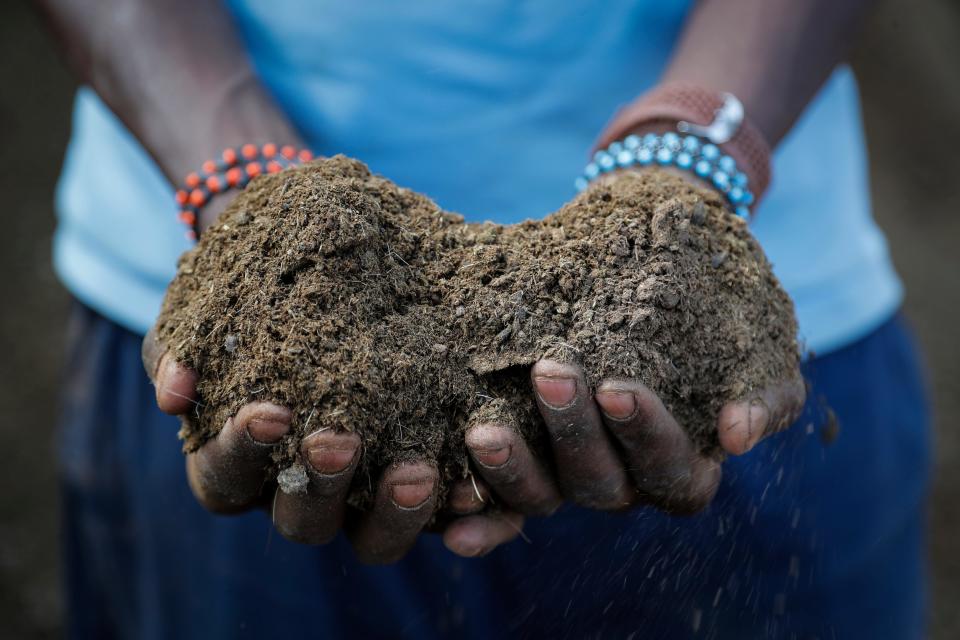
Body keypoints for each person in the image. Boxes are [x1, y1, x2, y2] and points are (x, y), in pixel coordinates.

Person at [38, 0, 930, 637]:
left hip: (705, 307)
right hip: (248, 332)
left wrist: (695, 154)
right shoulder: (265, 278)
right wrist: (245, 191)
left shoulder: (695, 278)